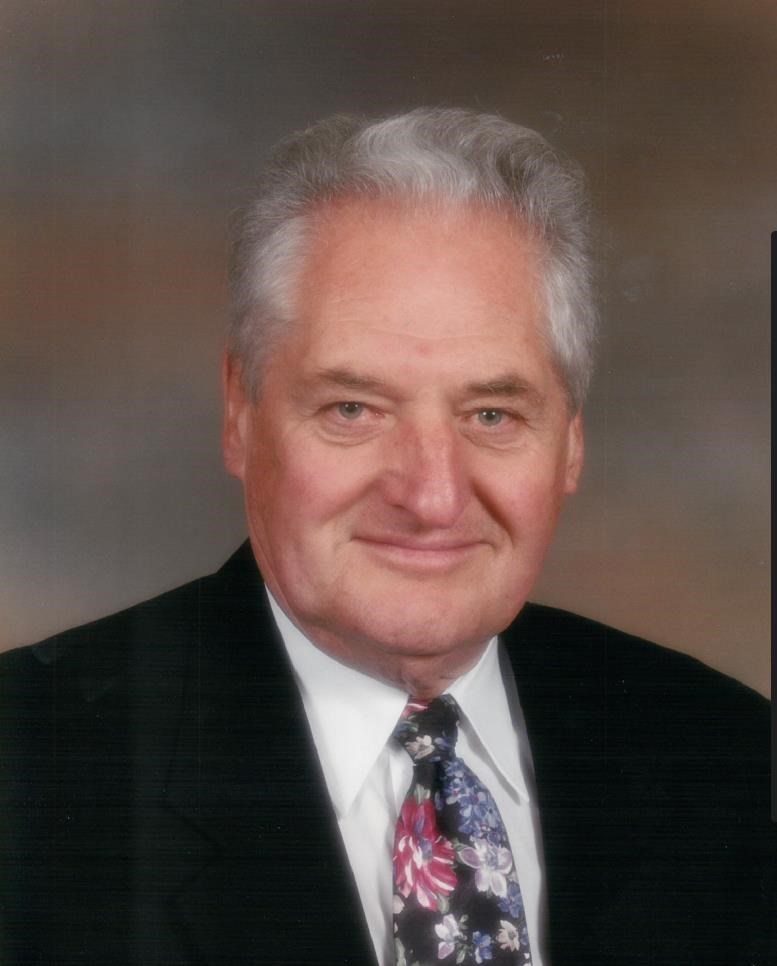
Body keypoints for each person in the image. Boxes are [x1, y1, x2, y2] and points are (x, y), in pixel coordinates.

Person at [1, 108, 773, 966]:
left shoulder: (732, 757)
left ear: (570, 444)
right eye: (353, 409)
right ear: (240, 413)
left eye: (492, 414)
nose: (431, 497)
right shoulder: (25, 771)